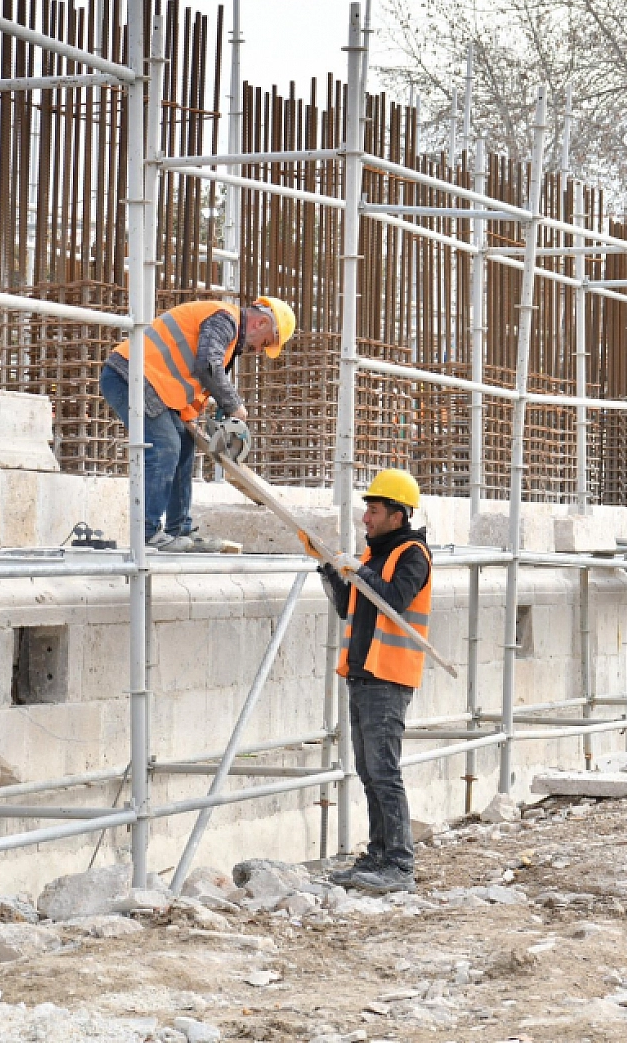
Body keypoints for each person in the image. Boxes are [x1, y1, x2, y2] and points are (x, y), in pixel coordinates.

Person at [310, 469, 432, 895]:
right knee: (367, 770)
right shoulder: (374, 556)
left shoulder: (412, 553)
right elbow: (349, 606)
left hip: (388, 677)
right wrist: (329, 567)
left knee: (384, 770)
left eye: (374, 511)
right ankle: (378, 855)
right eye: (367, 510)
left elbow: (394, 600)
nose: (366, 518)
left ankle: (399, 863)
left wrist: (356, 570)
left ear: (397, 515)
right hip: (362, 674)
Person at [99, 295, 296, 551]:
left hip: (153, 384)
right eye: (265, 343)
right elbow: (207, 365)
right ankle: (146, 534)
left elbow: (193, 373)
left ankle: (179, 531)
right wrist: (233, 404)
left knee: (183, 443)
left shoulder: (229, 332)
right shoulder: (224, 321)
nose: (258, 351)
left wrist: (193, 419)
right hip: (129, 375)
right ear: (260, 323)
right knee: (166, 446)